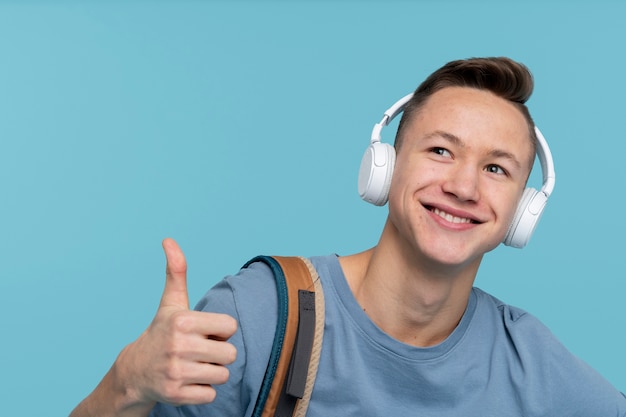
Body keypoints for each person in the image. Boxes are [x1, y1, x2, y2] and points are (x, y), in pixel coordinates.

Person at [70, 57, 626, 417]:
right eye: (440, 150)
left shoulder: (529, 359)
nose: (462, 186)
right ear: (384, 168)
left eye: (497, 169)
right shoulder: (264, 314)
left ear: (522, 211)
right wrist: (127, 383)